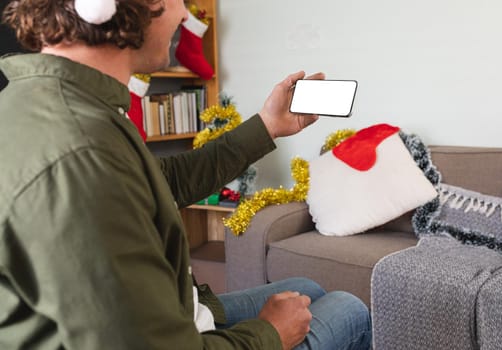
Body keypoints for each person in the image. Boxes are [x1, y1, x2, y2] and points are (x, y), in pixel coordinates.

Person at [0, 0, 372, 349]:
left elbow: (163, 181)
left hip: (183, 312)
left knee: (305, 287)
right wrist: (270, 333)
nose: (182, 13)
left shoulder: (64, 104)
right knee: (348, 308)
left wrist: (267, 125)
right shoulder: (81, 155)